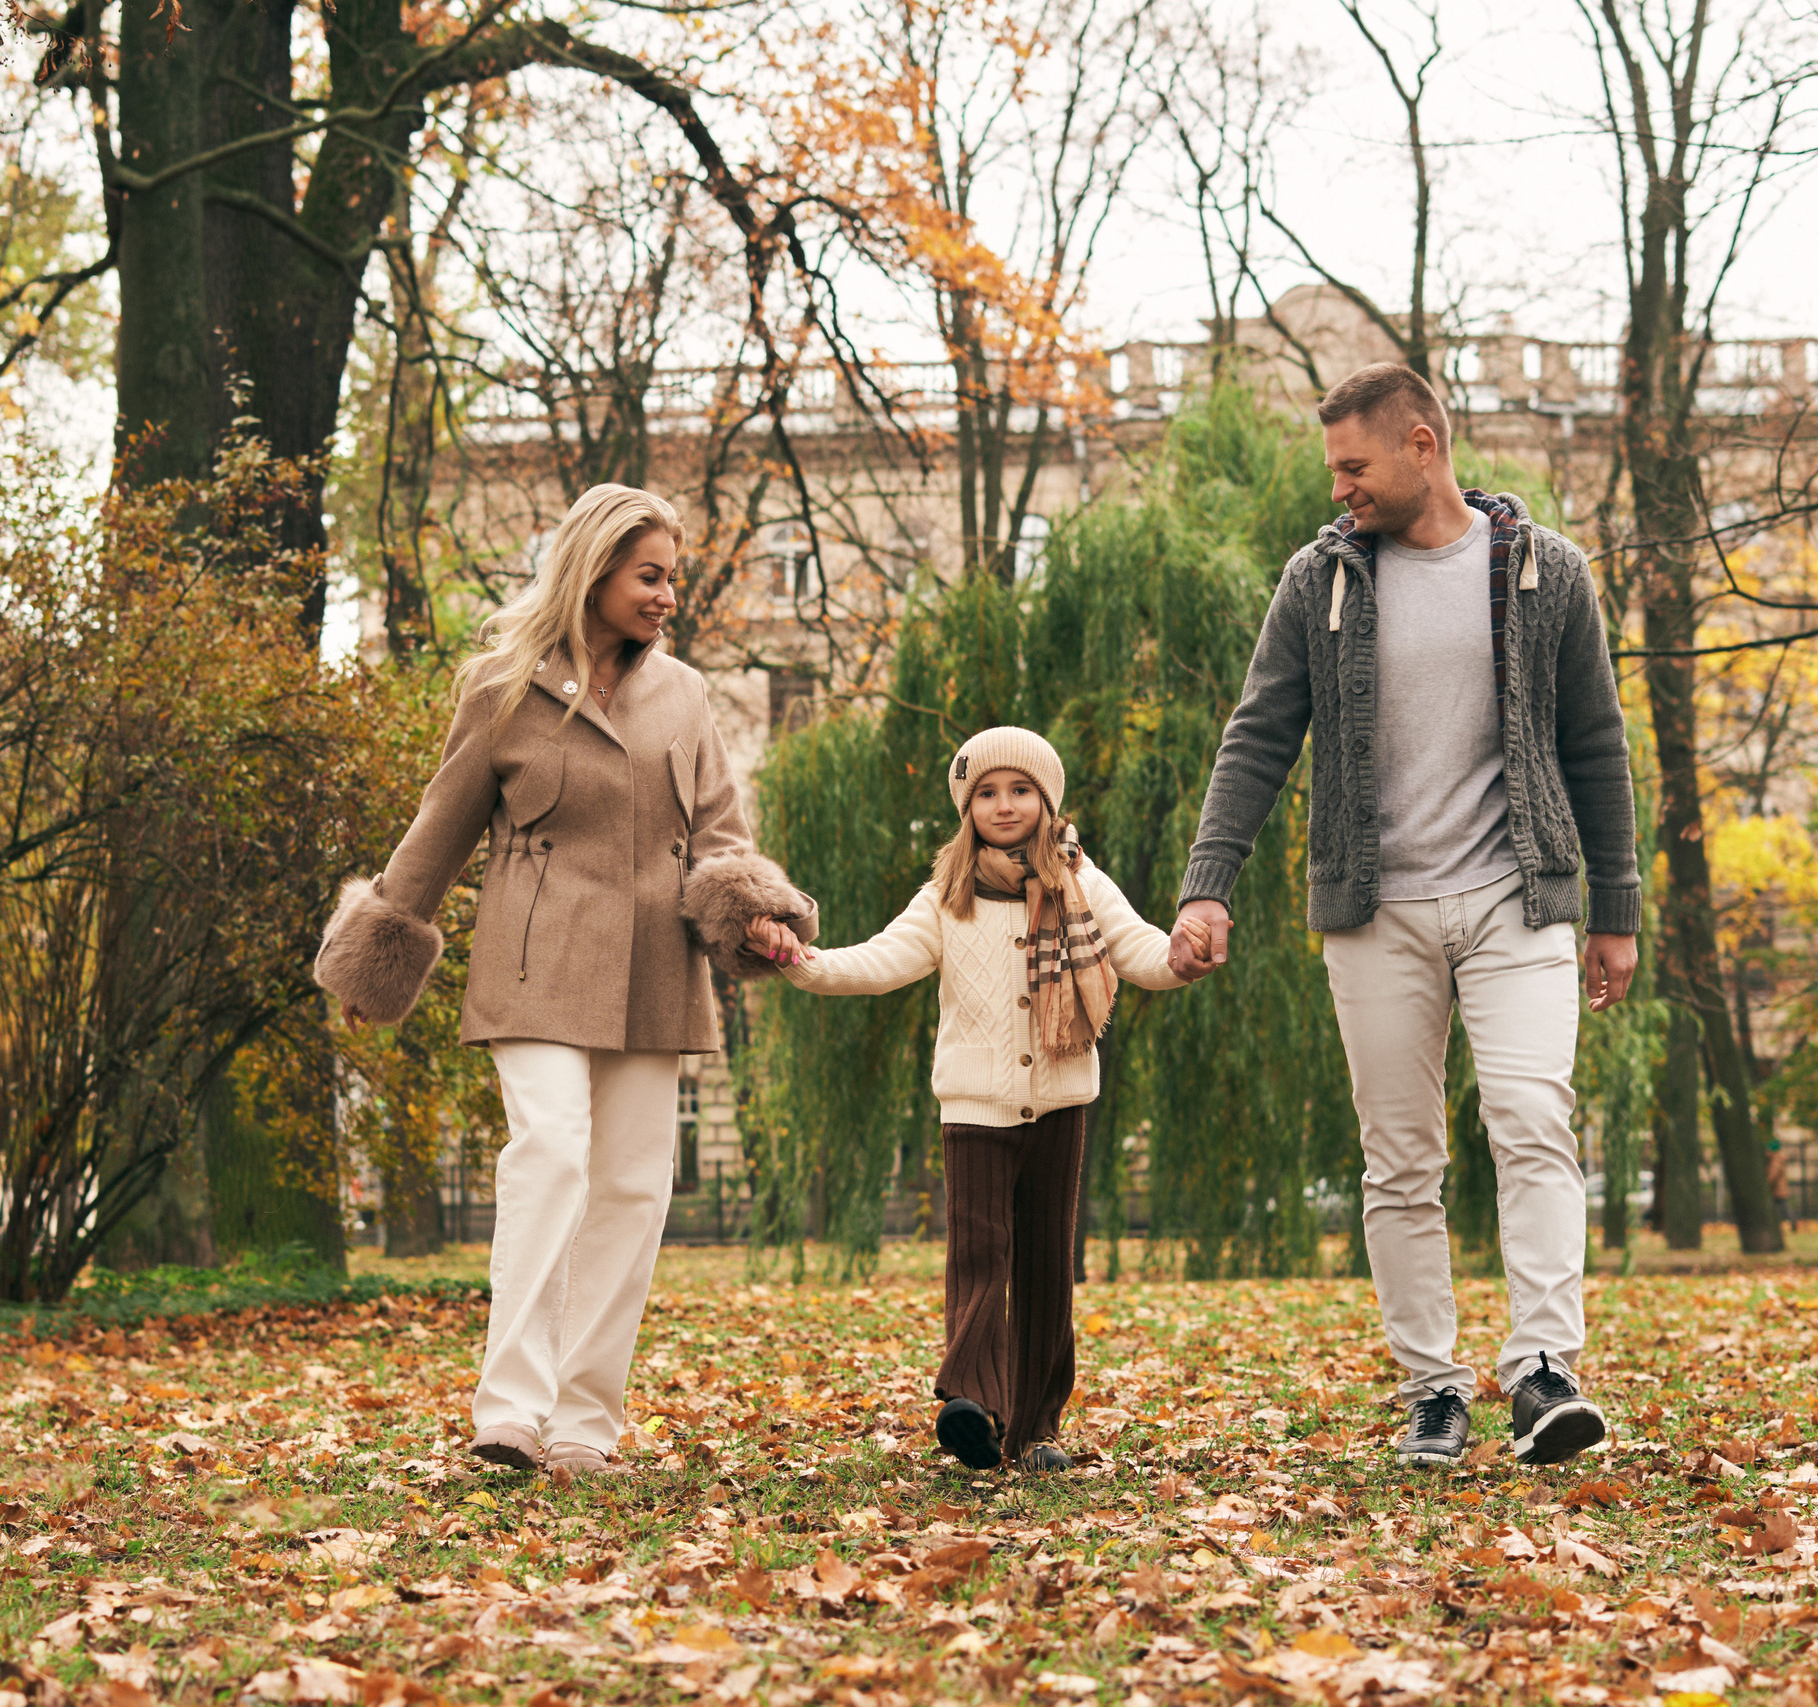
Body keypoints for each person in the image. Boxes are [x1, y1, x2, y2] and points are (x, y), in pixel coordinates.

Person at [1168, 363, 1641, 1469]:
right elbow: (1256, 736)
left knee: (1532, 1120)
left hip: (1515, 894)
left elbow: (1596, 746)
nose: (1339, 489)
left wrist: (1613, 907)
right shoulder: (1318, 580)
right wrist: (1208, 882)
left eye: (1353, 466)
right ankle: (1432, 1386)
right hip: (1372, 907)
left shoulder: (1545, 572)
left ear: (1421, 445)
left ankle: (1542, 1373)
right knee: (1398, 1159)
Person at [312, 483, 814, 1485]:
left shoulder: (684, 697)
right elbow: (440, 825)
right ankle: (509, 1413)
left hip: (653, 973)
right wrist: (377, 959)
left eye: (674, 577)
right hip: (532, 963)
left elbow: (719, 832)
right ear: (594, 570)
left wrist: (753, 910)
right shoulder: (502, 686)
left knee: (632, 1187)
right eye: (651, 576)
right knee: (549, 1155)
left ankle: (585, 1426)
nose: (669, 595)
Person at [779, 728, 1187, 1471]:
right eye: (988, 793)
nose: (1005, 805)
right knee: (979, 1254)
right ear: (968, 808)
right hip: (975, 1106)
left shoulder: (1083, 884)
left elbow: (1141, 949)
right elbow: (878, 959)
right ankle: (971, 1402)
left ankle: (1036, 1430)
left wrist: (1182, 957)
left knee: (1044, 1265)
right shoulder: (945, 898)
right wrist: (803, 963)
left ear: (1047, 800)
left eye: (1021, 790)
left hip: (1061, 1101)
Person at [1765, 1138, 1794, 1233]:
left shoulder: (1776, 1159)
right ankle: (1790, 1224)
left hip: (1777, 1188)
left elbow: (1773, 1173)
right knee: (1781, 1208)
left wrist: (1767, 1182)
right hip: (1778, 1188)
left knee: (1783, 1208)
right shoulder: (1776, 1158)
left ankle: (1792, 1223)